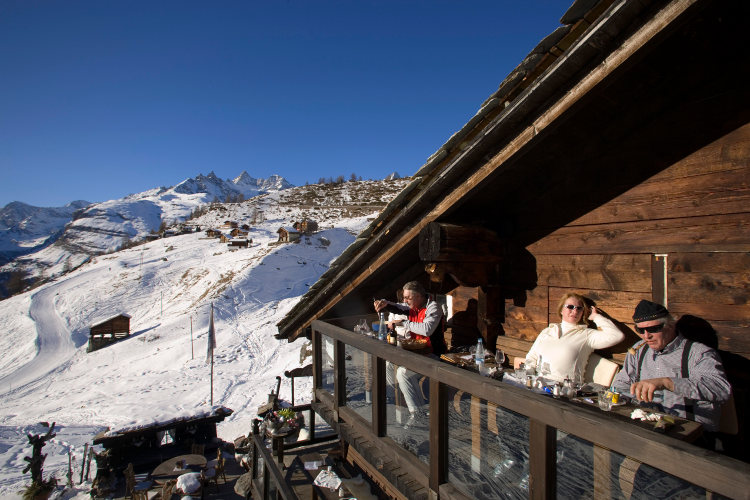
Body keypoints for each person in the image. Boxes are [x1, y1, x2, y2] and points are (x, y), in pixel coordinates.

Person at [611, 300, 731, 432]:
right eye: (640, 329)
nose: (646, 336)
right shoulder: (639, 350)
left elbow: (721, 389)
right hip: (648, 425)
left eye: (653, 329)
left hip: (688, 431)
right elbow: (622, 383)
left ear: (670, 325)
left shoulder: (698, 353)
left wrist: (668, 383)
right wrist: (616, 397)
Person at [373, 281, 444, 427]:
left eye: (407, 298)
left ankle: (417, 414)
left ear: (418, 296)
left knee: (403, 373)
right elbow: (398, 307)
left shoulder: (433, 307)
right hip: (417, 352)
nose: (405, 301)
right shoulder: (413, 306)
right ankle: (395, 399)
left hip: (433, 355)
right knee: (388, 363)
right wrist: (384, 303)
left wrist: (403, 323)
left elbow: (427, 329)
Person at [518, 292, 624, 384]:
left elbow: (617, 336)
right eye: (570, 307)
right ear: (561, 310)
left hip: (564, 389)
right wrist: (529, 375)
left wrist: (596, 317)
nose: (575, 311)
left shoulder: (586, 335)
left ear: (583, 312)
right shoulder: (548, 331)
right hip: (538, 383)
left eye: (579, 308)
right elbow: (531, 357)